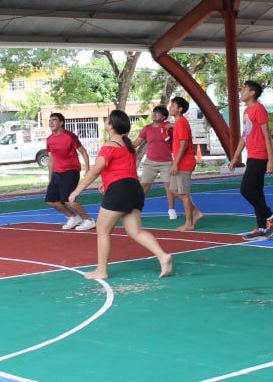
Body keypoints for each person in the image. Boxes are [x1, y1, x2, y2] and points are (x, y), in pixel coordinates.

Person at [69, 109, 173, 280]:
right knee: (136, 231)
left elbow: (94, 171)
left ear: (111, 126)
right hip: (134, 190)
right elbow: (122, 170)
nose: (105, 122)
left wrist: (76, 191)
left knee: (102, 229)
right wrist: (107, 183)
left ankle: (101, 271)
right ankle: (163, 256)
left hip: (120, 191)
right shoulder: (128, 146)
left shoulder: (109, 147)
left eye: (107, 120)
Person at [228, 80, 273, 241]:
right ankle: (262, 227)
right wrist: (235, 157)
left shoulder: (259, 109)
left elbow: (267, 135)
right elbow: (245, 135)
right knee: (257, 192)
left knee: (246, 190)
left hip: (260, 156)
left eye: (244, 89)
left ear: (252, 93)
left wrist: (271, 160)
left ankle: (272, 217)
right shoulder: (247, 110)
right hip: (252, 155)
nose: (241, 91)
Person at [44, 112, 94, 231]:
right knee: (51, 201)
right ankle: (73, 217)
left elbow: (83, 152)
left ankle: (88, 220)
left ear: (61, 123)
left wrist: (87, 169)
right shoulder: (49, 139)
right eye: (50, 120)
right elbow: (51, 159)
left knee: (68, 200)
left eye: (54, 120)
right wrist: (50, 176)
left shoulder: (69, 136)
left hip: (71, 171)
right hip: (57, 173)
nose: (51, 122)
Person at [135, 105, 180, 220]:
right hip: (150, 162)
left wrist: (172, 126)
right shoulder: (147, 128)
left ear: (164, 116)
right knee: (144, 185)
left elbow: (181, 129)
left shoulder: (168, 127)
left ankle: (171, 210)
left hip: (166, 163)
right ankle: (135, 209)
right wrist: (122, 145)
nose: (154, 114)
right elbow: (136, 143)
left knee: (169, 187)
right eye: (153, 112)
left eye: (157, 113)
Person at [167, 96, 204, 232]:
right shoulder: (178, 123)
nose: (170, 107)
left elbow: (184, 144)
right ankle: (196, 212)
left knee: (183, 194)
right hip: (179, 162)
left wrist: (176, 163)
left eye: (173, 105)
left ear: (180, 109)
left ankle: (189, 223)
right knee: (173, 190)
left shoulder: (182, 122)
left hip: (184, 162)